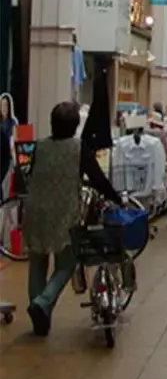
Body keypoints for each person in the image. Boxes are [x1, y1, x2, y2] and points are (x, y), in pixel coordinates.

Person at [22, 101, 121, 337]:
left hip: (35, 211)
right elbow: (97, 178)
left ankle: (40, 317)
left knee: (37, 261)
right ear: (76, 125)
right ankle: (43, 302)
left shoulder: (40, 146)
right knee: (66, 263)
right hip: (63, 214)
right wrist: (115, 198)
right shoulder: (78, 148)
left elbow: (32, 173)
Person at [0, 92, 17, 189]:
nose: (3, 108)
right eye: (2, 105)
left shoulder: (12, 122)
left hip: (5, 155)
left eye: (6, 105)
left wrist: (15, 160)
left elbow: (12, 140)